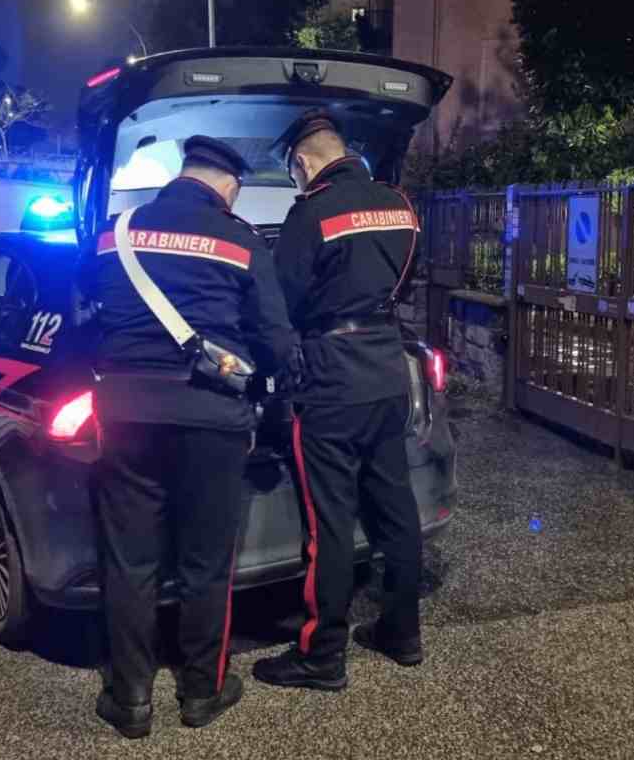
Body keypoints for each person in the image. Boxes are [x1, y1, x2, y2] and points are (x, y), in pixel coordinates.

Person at [81, 136, 296, 737]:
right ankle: (202, 691)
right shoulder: (242, 241)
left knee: (130, 561)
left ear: (183, 174)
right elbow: (277, 342)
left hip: (124, 413)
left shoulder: (115, 232)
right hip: (211, 417)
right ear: (229, 187)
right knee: (206, 565)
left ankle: (129, 699)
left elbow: (84, 306)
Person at [253, 110, 424, 692]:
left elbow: (284, 303)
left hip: (331, 380)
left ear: (304, 162)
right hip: (386, 369)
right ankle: (402, 633)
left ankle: (322, 655)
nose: (297, 183)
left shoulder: (311, 213)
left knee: (328, 525)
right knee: (396, 513)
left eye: (295, 174)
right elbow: (403, 281)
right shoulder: (398, 203)